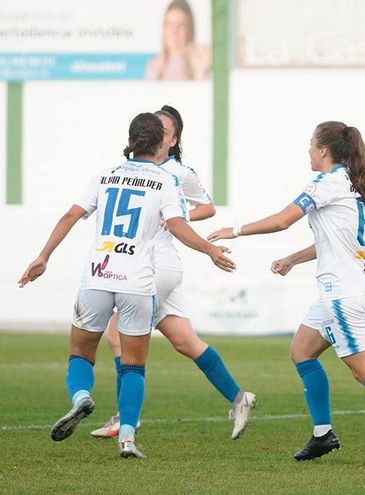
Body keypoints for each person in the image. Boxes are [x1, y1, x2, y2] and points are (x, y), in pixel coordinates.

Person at [208, 121, 365, 469]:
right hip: (347, 290)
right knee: (302, 351)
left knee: (364, 370)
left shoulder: (326, 182)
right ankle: (322, 434)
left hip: (343, 295)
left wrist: (236, 230)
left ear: (323, 150)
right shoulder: (352, 184)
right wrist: (292, 259)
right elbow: (331, 242)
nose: (308, 150)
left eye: (311, 144)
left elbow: (283, 220)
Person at [18, 113, 235, 459]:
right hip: (137, 282)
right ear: (160, 142)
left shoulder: (106, 175)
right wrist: (209, 249)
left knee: (80, 354)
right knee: (134, 365)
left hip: (98, 276)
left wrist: (44, 255)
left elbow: (70, 215)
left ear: (131, 139)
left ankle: (81, 398)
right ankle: (128, 438)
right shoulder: (165, 180)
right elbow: (177, 225)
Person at [91, 105, 257, 441]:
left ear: (173, 139)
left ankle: (127, 417)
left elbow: (207, 206)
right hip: (155, 267)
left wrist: (178, 218)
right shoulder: (139, 169)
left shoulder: (176, 173)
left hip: (154, 266)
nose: (156, 133)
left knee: (116, 336)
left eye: (163, 130)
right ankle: (240, 399)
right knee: (185, 341)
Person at [145, 0, 210, 80]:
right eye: (169, 24)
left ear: (189, 28)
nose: (174, 31)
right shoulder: (154, 65)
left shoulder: (200, 60)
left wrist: (199, 71)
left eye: (180, 25)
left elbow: (203, 90)